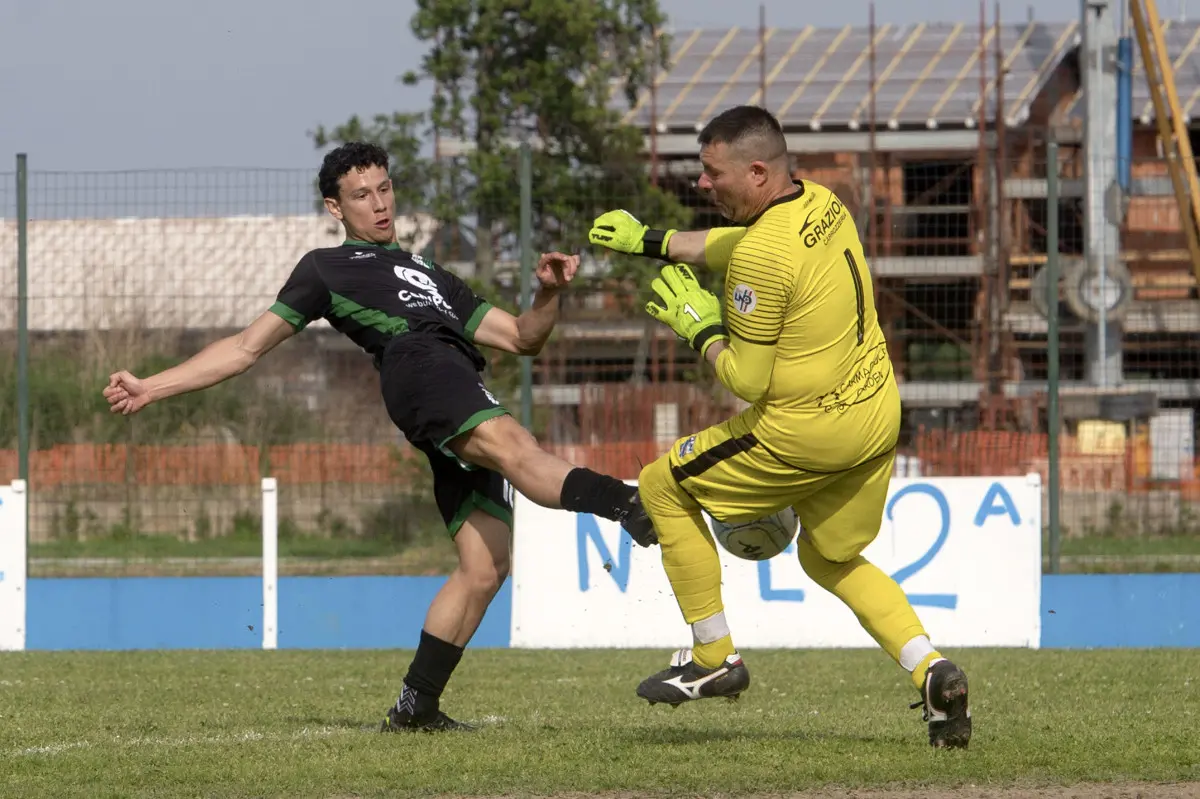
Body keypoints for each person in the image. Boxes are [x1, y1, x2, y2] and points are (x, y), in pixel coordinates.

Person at [103, 141, 654, 733]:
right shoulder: (325, 268)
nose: (379, 204)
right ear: (335, 208)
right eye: (361, 195)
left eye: (385, 189)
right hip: (422, 371)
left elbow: (522, 338)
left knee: (485, 566)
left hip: (453, 378)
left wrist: (547, 293)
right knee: (517, 450)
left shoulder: (431, 273)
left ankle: (416, 707)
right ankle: (628, 502)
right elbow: (244, 347)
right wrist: (151, 387)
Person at [588, 105, 971, 749]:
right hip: (875, 417)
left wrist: (699, 327)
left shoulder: (762, 258)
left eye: (712, 173)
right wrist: (651, 240)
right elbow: (738, 246)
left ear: (758, 172)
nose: (702, 183)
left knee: (660, 484)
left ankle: (713, 659)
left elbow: (747, 379)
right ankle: (931, 671)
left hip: (803, 433)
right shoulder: (821, 202)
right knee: (829, 556)